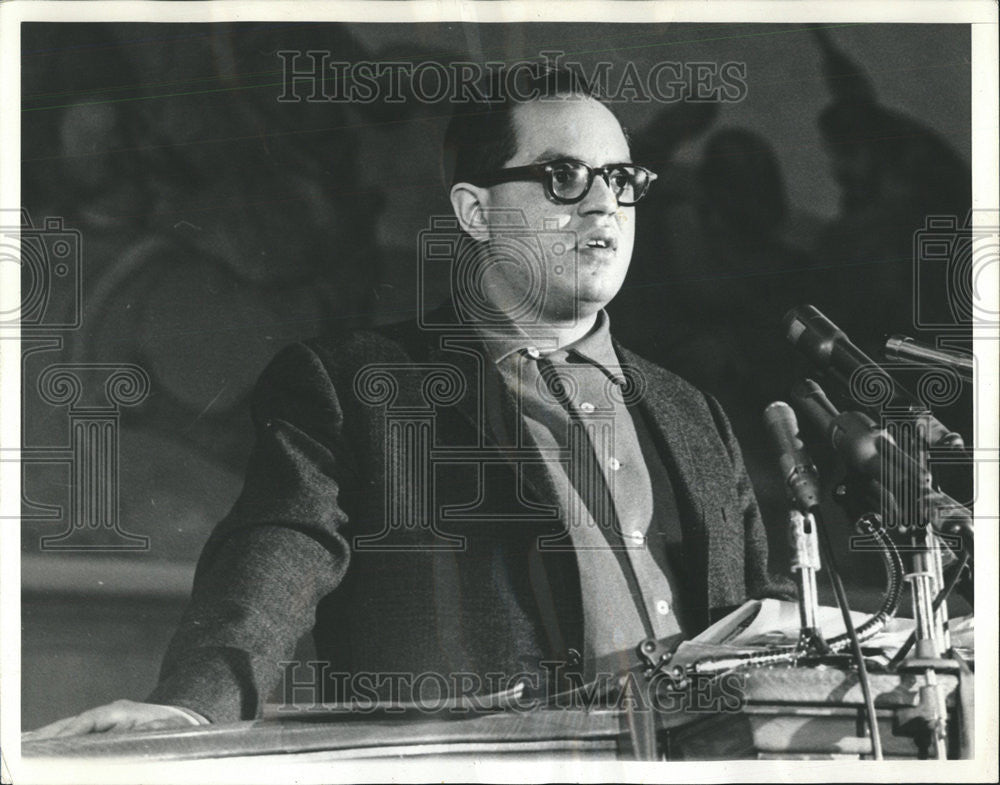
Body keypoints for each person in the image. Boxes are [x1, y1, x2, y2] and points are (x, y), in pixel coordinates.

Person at [26, 66, 791, 738]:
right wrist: (194, 704)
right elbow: (275, 559)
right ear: (474, 211)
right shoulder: (357, 389)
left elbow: (761, 626)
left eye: (622, 180)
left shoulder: (695, 413)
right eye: (563, 176)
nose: (603, 206)